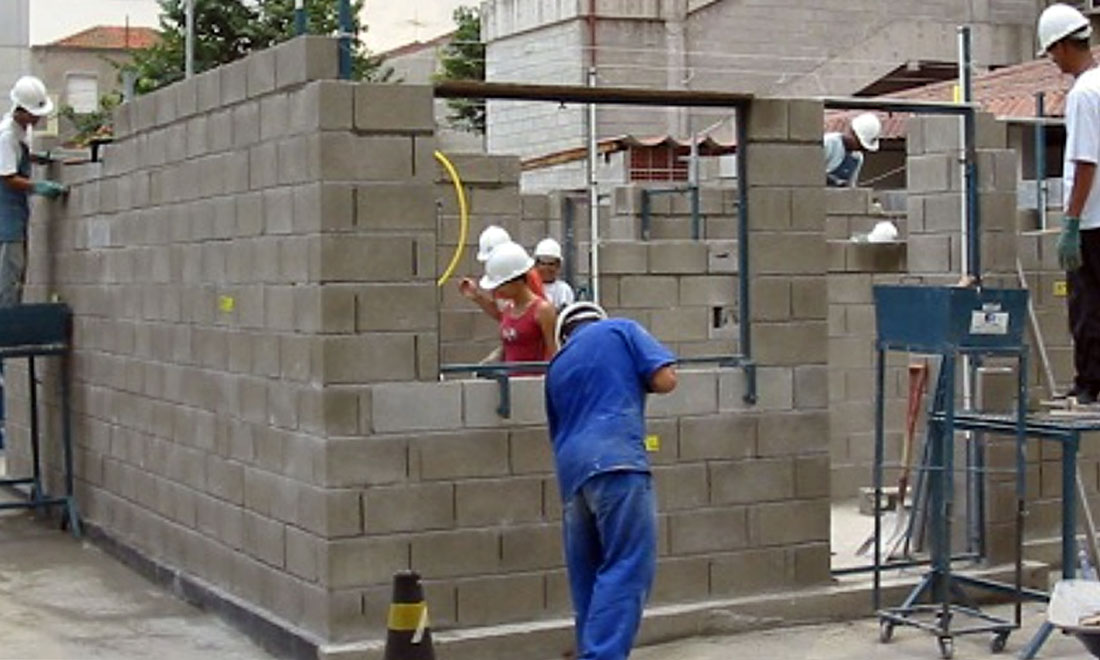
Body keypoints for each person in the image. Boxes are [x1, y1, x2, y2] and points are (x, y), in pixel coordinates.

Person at [544, 302, 678, 660]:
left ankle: (591, 649)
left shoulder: (556, 365)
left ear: (563, 336)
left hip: (573, 478)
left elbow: (558, 428)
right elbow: (665, 379)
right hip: (618, 461)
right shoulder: (621, 329)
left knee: (587, 575)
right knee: (626, 564)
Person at [1040, 4, 1100, 405]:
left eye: (1051, 52)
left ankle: (1090, 386)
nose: (1052, 60)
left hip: (1094, 220)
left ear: (1063, 46)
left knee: (1086, 303)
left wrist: (1071, 223)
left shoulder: (1083, 94)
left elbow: (1084, 160)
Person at [0, 75, 65, 307]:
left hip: (15, 217)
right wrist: (39, 187)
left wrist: (39, 158)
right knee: (8, 279)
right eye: (34, 114)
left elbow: (19, 156)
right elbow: (7, 176)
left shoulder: (19, 131)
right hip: (6, 222)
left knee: (16, 276)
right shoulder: (6, 135)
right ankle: (6, 334)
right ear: (21, 110)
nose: (37, 118)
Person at [460, 241, 556, 372]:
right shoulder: (509, 309)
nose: (498, 291)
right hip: (509, 385)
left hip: (533, 386)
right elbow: (508, 340)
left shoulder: (543, 310)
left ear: (517, 281)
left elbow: (554, 353)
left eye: (501, 285)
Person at [823, 112, 880, 187]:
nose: (859, 149)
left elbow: (851, 187)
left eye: (862, 148)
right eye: (859, 144)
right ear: (852, 132)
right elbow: (810, 174)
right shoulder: (828, 143)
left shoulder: (857, 158)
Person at [534, 237, 575, 310]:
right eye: (543, 264)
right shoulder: (529, 289)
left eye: (551, 264)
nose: (546, 268)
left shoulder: (563, 289)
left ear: (558, 266)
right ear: (536, 265)